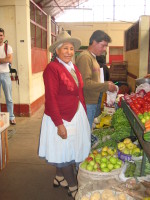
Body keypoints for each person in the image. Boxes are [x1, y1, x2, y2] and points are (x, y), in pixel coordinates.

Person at [38, 31, 91, 199]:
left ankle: (59, 177)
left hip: (76, 113)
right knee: (66, 151)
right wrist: (59, 123)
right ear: (57, 51)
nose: (69, 51)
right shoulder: (52, 69)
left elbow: (78, 92)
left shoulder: (73, 67)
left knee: (67, 149)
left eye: (71, 48)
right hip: (61, 116)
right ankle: (73, 186)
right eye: (65, 48)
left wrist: (83, 110)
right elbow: (51, 98)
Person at [76, 30, 117, 129]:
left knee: (88, 129)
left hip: (93, 101)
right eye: (103, 46)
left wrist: (105, 83)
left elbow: (92, 80)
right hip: (87, 101)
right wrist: (106, 86)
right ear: (94, 42)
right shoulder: (85, 57)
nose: (104, 49)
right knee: (85, 131)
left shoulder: (93, 58)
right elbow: (85, 83)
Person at [0, 28, 16, 125]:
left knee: (9, 97)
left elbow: (9, 60)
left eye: (1, 35)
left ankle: (11, 117)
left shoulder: (8, 47)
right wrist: (4, 59)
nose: (0, 37)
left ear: (4, 36)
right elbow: (6, 59)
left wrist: (4, 60)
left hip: (5, 74)